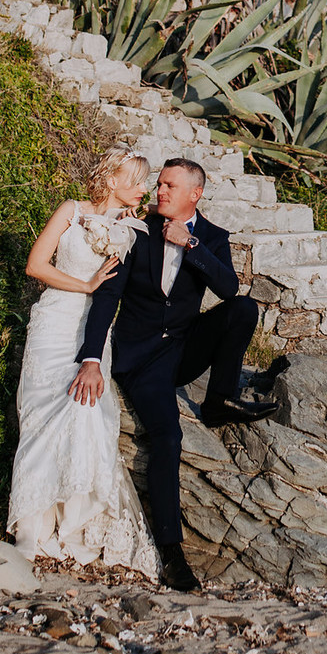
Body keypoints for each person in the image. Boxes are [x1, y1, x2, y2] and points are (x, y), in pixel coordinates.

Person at [69, 157, 277, 591]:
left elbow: (228, 288)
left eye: (168, 186)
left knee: (242, 309)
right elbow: (107, 298)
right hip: (141, 359)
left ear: (194, 194)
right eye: (159, 184)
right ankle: (173, 555)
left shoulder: (213, 236)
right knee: (167, 438)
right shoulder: (135, 229)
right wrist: (91, 358)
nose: (159, 191)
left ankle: (218, 400)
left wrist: (191, 245)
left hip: (184, 350)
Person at [6, 146, 160, 577]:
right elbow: (35, 265)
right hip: (54, 320)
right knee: (41, 417)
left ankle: (76, 527)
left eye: (146, 181)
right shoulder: (71, 210)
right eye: (136, 179)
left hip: (95, 332)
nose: (143, 189)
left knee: (84, 412)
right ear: (110, 179)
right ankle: (32, 531)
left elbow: (122, 291)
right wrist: (86, 284)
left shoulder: (134, 229)